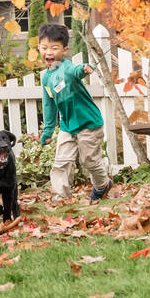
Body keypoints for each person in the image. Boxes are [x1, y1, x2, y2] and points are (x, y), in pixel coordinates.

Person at [37, 23, 114, 204]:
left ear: (64, 50)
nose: (49, 52)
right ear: (39, 48)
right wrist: (48, 130)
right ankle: (60, 197)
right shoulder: (46, 78)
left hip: (88, 123)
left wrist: (84, 68)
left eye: (54, 48)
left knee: (89, 161)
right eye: (44, 48)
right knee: (61, 162)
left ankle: (103, 185)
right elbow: (49, 105)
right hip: (67, 125)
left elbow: (76, 71)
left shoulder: (67, 68)